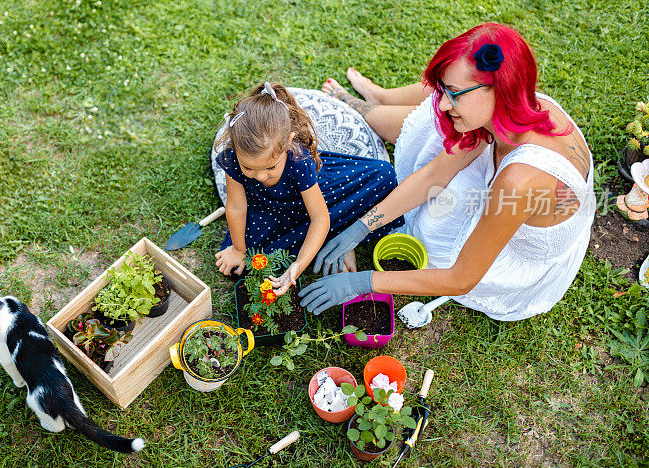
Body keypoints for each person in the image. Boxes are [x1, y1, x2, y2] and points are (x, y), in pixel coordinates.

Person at [298, 23, 595, 321]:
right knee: (433, 125)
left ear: (499, 88)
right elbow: (433, 176)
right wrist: (362, 227)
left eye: (454, 93)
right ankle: (376, 99)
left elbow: (460, 278)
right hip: (535, 202)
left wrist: (363, 282)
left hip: (520, 254)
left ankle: (362, 105)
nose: (442, 102)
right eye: (443, 90)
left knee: (436, 217)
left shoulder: (518, 182)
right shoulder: (510, 108)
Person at [214, 81, 403, 294]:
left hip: (316, 196)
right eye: (248, 168)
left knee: (383, 175)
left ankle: (342, 239)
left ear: (288, 142)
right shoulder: (232, 158)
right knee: (244, 266)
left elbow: (320, 218)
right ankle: (331, 238)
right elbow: (237, 208)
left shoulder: (298, 160)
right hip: (266, 212)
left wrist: (299, 265)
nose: (260, 176)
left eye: (270, 167)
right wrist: (239, 250)